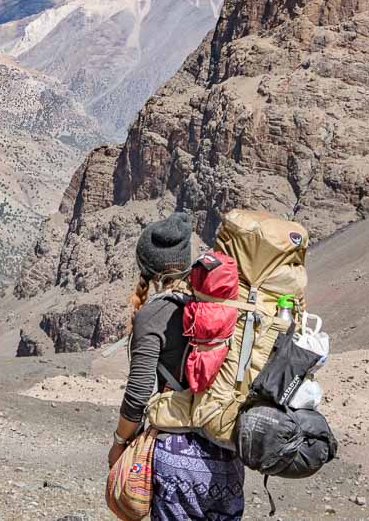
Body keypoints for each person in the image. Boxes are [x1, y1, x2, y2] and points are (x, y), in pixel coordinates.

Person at [107, 212, 245, 521]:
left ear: (148, 266)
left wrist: (119, 443)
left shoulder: (154, 314)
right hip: (227, 456)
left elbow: (139, 393)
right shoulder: (226, 309)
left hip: (176, 455)